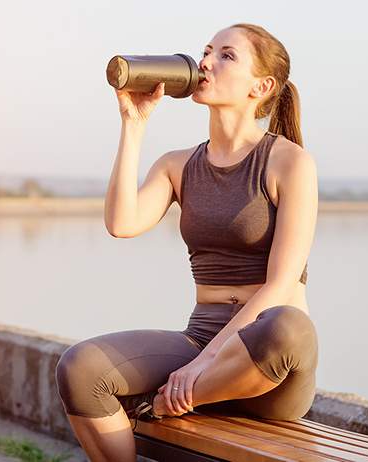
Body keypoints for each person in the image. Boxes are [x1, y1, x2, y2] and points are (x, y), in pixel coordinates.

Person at [54, 23, 319, 462]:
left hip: (266, 368)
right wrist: (133, 124)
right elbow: (122, 223)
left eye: (227, 56)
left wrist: (198, 371)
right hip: (201, 337)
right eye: (207, 51)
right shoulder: (178, 165)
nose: (206, 63)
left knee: (288, 326)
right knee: (80, 368)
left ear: (263, 86)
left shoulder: (289, 163)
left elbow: (279, 286)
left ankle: (163, 405)